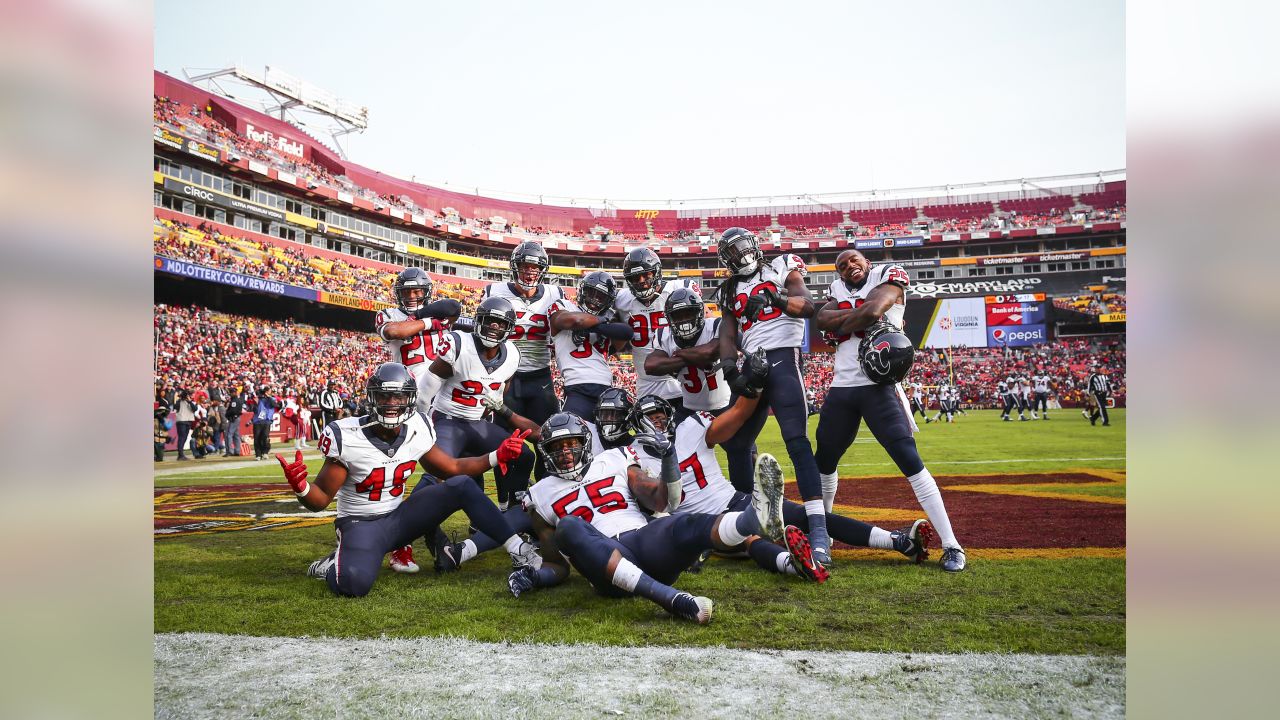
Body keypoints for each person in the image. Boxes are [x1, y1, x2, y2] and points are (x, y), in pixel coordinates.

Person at [278, 362, 540, 598]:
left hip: (401, 519)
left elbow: (452, 467)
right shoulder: (347, 435)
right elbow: (321, 499)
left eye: (398, 396)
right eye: (384, 396)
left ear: (410, 399)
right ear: (372, 398)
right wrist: (301, 487)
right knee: (353, 585)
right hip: (361, 525)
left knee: (460, 485)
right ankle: (333, 564)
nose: (392, 402)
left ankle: (519, 550)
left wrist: (496, 456)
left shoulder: (418, 426)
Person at [506, 412, 784, 624]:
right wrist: (536, 576)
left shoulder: (614, 459)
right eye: (557, 447)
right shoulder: (538, 495)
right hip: (608, 570)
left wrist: (668, 459)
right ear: (546, 452)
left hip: (642, 541)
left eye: (571, 444)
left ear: (585, 443)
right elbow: (558, 565)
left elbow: (662, 500)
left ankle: (752, 520)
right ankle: (672, 600)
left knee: (680, 521)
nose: (566, 453)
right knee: (569, 526)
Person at [630, 392, 933, 577]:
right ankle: (794, 564)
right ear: (637, 424)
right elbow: (652, 503)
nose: (658, 423)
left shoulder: (690, 428)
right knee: (748, 540)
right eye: (650, 419)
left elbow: (735, 417)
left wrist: (753, 387)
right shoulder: (635, 457)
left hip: (734, 499)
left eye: (661, 417)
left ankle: (899, 542)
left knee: (810, 517)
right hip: (699, 521)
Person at [812, 249, 966, 572]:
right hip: (842, 388)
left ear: (866, 261)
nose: (848, 266)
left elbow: (870, 312)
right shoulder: (836, 289)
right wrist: (850, 318)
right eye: (841, 265)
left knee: (909, 460)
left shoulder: (887, 274)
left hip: (879, 386)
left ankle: (952, 544)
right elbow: (821, 320)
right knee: (823, 462)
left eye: (853, 260)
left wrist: (841, 323)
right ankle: (821, 534)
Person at [713, 228, 822, 555]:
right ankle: (748, 522)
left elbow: (808, 305)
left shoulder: (780, 266)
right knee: (736, 443)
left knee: (797, 442)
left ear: (754, 247)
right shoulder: (729, 289)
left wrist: (777, 298)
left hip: (783, 358)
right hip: (752, 364)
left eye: (741, 249)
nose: (739, 257)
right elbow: (728, 334)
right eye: (730, 255)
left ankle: (818, 533)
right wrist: (730, 369)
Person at [483, 242, 566, 479]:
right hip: (506, 376)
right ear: (515, 267)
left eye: (534, 267)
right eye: (524, 266)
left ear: (542, 270)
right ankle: (506, 501)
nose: (529, 271)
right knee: (506, 444)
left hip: (540, 377)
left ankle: (544, 494)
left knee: (549, 440)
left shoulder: (555, 294)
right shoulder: (495, 291)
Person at [613, 248, 696, 417]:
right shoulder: (622, 300)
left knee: (691, 435)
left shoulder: (679, 288)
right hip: (648, 383)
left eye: (647, 274)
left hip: (683, 377)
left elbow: (707, 322)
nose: (642, 281)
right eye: (635, 277)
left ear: (657, 272)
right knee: (654, 439)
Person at [548, 271, 635, 426]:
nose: (594, 300)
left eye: (600, 297)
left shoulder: (609, 316)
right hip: (577, 387)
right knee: (570, 432)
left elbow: (627, 333)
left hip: (606, 387)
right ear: (582, 291)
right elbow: (575, 320)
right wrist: (602, 322)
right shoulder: (564, 305)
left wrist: (591, 328)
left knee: (611, 439)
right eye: (591, 293)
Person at [375, 267, 461, 413]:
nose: (411, 296)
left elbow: (454, 306)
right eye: (406, 292)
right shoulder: (390, 314)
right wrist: (429, 323)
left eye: (416, 291)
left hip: (444, 383)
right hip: (411, 385)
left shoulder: (437, 311)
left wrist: (418, 315)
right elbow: (393, 331)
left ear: (426, 291)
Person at [646, 288, 729, 424]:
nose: (684, 321)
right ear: (669, 318)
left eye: (688, 314)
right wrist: (694, 357)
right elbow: (650, 366)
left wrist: (679, 354)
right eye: (678, 316)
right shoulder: (664, 335)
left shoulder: (714, 325)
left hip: (722, 406)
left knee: (738, 445)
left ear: (700, 312)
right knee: (677, 444)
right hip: (689, 409)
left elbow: (710, 353)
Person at [250, 385, 279, 460]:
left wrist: (268, 397)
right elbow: (254, 410)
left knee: (265, 437)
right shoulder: (258, 400)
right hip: (257, 421)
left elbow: (275, 405)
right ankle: (258, 454)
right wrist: (256, 402)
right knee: (257, 438)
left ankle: (265, 452)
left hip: (267, 421)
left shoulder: (272, 399)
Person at [173, 389, 197, 461]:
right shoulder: (179, 402)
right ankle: (180, 455)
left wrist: (189, 401)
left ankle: (181, 454)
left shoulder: (191, 402)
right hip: (181, 421)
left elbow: (195, 409)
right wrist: (181, 398)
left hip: (188, 421)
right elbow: (175, 407)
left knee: (185, 438)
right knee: (181, 437)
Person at [224, 389, 245, 456]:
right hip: (236, 418)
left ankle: (230, 451)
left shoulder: (234, 401)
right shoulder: (238, 400)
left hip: (233, 418)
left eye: (231, 393)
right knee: (236, 435)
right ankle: (237, 451)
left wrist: (227, 413)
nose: (230, 394)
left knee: (228, 435)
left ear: (235, 393)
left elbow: (233, 411)